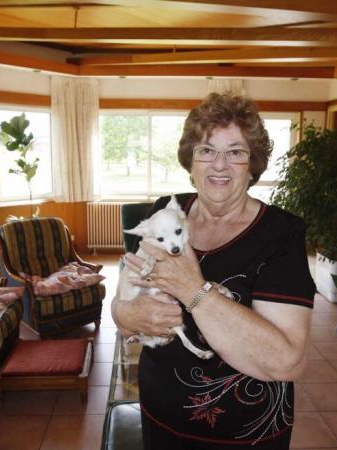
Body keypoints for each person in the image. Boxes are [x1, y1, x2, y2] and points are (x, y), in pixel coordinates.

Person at [111, 93, 316, 449]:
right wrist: (123, 312)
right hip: (159, 414)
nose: (219, 165)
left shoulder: (281, 234)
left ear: (252, 165)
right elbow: (126, 287)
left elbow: (287, 361)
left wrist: (194, 289)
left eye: (235, 152)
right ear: (190, 161)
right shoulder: (167, 211)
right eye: (206, 150)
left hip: (242, 433)